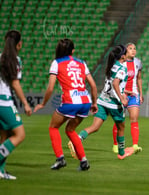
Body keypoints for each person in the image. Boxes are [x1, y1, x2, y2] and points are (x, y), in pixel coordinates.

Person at [34, 38, 98, 171]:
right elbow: (92, 85)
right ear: (72, 51)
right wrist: (95, 103)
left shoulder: (56, 63)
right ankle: (84, 161)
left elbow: (50, 88)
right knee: (70, 130)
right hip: (85, 101)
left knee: (53, 127)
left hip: (70, 100)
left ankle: (60, 159)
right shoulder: (81, 63)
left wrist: (42, 104)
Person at [69, 45, 135, 159]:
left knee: (94, 127)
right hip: (114, 104)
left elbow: (113, 84)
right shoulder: (123, 68)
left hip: (102, 101)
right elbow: (115, 83)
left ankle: (77, 140)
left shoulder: (112, 65)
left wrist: (126, 91)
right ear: (123, 56)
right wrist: (122, 98)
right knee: (121, 128)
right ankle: (121, 153)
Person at [0, 30, 32, 180]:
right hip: (4, 102)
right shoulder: (15, 60)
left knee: (4, 136)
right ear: (19, 44)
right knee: (19, 135)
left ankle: (0, 171)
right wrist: (25, 103)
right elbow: (14, 83)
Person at [112, 43, 143, 154]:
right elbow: (115, 81)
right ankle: (115, 145)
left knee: (134, 118)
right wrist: (122, 93)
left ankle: (135, 145)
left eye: (135, 48)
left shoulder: (138, 62)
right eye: (130, 49)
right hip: (122, 94)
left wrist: (140, 93)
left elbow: (139, 78)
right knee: (119, 121)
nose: (133, 50)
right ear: (126, 51)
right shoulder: (121, 63)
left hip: (134, 94)